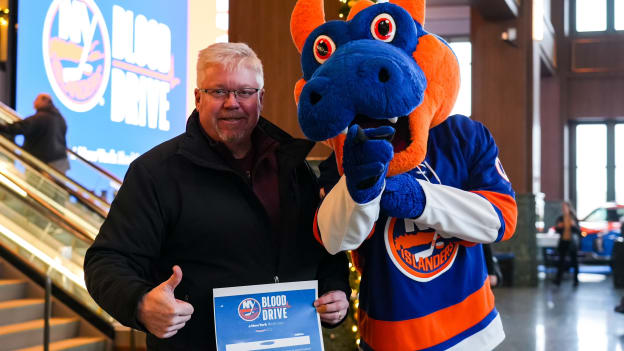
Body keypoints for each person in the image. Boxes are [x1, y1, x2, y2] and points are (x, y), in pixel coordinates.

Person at [83, 43, 351, 350]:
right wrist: (141, 304)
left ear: (260, 99)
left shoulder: (292, 167)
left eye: (245, 92)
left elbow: (326, 247)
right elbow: (106, 261)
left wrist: (337, 291)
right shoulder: (156, 173)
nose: (232, 103)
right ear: (198, 98)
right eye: (219, 91)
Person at [0, 93, 69, 173]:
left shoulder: (40, 118)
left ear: (45, 101)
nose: (34, 102)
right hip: (60, 163)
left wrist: (2, 127)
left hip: (43, 164)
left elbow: (19, 127)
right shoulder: (60, 119)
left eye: (36, 99)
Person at [554, 201, 581, 286]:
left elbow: (579, 232)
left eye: (565, 207)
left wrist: (573, 226)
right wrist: (558, 227)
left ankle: (576, 281)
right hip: (563, 241)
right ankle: (558, 280)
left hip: (572, 242)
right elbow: (556, 229)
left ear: (569, 208)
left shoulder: (574, 218)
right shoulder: (561, 218)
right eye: (563, 207)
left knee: (574, 262)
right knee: (561, 261)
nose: (564, 209)